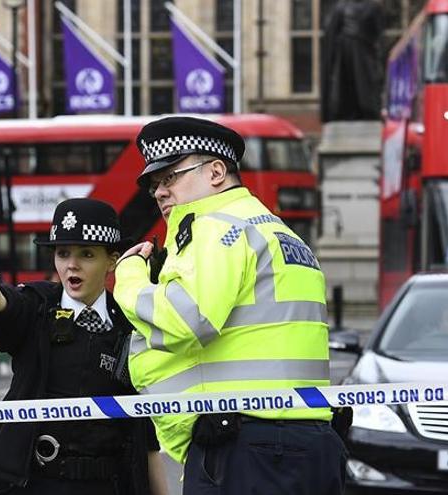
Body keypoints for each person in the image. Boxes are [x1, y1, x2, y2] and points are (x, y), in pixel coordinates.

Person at [114, 116, 347, 494]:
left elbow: (185, 318)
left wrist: (129, 276)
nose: (159, 192)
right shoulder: (281, 233)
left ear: (217, 172)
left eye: (171, 176)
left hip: (247, 447)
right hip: (311, 440)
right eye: (155, 184)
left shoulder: (215, 226)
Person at [0, 198, 167, 495]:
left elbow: (145, 430)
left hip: (108, 484)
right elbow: (4, 307)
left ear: (112, 261)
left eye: (86, 254)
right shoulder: (39, 307)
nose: (71, 265)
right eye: (63, 254)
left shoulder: (129, 322)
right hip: (38, 482)